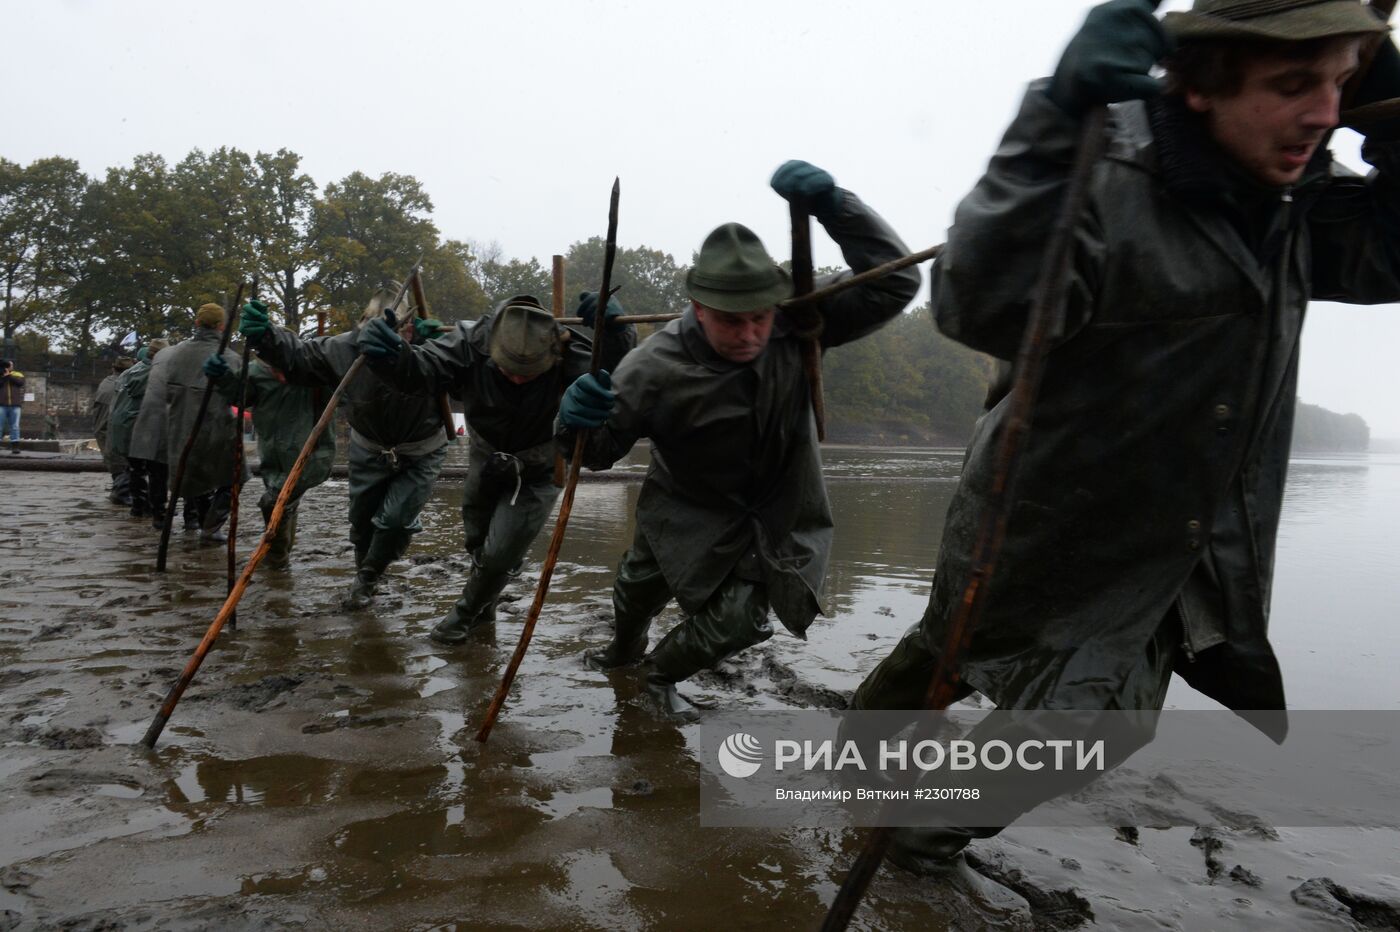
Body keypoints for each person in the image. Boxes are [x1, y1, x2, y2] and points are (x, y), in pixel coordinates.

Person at [852, 0, 1400, 872]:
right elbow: (979, 303)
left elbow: (1390, 255)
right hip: (1041, 516)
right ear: (1199, 87)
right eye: (1294, 83)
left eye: (1340, 82)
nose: (1325, 114)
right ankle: (874, 783)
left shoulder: (1298, 203)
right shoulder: (1104, 176)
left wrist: (1398, 125)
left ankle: (918, 826)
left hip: (1177, 546)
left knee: (1103, 718)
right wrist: (1051, 124)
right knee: (949, 651)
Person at [562, 160, 921, 719]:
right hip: (684, 506)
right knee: (639, 585)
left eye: (760, 318)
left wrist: (835, 205)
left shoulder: (800, 322)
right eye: (733, 322)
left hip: (776, 509)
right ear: (699, 309)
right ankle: (623, 648)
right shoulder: (652, 366)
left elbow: (896, 280)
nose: (752, 335)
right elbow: (598, 454)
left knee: (740, 622)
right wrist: (575, 420)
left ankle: (657, 674)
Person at [358, 292, 636, 644]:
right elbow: (421, 370)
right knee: (477, 543)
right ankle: (484, 608)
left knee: (501, 552)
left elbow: (617, 374)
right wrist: (391, 357)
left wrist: (615, 335)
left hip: (540, 466)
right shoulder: (471, 340)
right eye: (508, 370)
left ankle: (462, 615)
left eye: (529, 373)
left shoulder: (566, 348)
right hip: (484, 457)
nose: (518, 379)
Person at [239, 284, 451, 608]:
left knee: (394, 521)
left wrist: (437, 344)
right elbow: (299, 357)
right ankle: (366, 574)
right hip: (367, 448)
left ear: (409, 326)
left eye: (400, 328)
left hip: (420, 451)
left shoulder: (431, 347)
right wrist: (265, 336)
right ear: (364, 323)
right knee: (362, 524)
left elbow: (471, 362)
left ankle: (367, 579)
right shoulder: (346, 347)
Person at [203, 343, 336, 571]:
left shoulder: (314, 374)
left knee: (274, 503)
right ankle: (281, 557)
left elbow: (341, 394)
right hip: (272, 454)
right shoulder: (257, 373)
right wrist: (223, 378)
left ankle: (277, 560)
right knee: (285, 506)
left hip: (310, 455)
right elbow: (241, 396)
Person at [130, 304, 245, 544]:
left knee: (193, 478)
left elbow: (167, 391)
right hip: (218, 429)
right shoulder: (230, 358)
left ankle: (191, 523)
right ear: (222, 326)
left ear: (196, 323)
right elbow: (240, 396)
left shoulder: (175, 354)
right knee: (235, 478)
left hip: (180, 429)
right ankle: (211, 527)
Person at [109, 341, 169, 520]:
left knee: (136, 468)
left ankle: (138, 507)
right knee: (155, 469)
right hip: (138, 425)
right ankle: (153, 509)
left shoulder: (129, 372)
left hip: (123, 425)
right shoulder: (154, 373)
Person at [92, 356, 136, 505]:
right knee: (123, 463)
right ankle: (121, 493)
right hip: (110, 430)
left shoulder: (106, 382)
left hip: (101, 429)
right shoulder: (122, 385)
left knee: (117, 463)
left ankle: (120, 491)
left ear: (113, 368)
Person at [1, 359, 24, 455]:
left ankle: (15, 446)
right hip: (1, 404)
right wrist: (4, 377)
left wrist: (9, 375)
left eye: (10, 365)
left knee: (15, 426)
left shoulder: (18, 374)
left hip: (15, 405)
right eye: (7, 365)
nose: (9, 366)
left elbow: (20, 383)